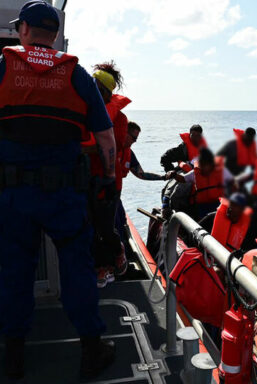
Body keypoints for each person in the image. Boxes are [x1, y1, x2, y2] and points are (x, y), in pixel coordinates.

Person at [0, 1, 115, 379]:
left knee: (15, 271)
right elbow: (105, 137)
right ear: (54, 34)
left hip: (13, 196)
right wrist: (109, 178)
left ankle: (13, 354)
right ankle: (91, 349)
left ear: (25, 31)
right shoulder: (76, 74)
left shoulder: (3, 68)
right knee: (77, 269)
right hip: (64, 195)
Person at [83, 61, 130, 288]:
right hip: (84, 178)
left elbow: (113, 145)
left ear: (105, 91)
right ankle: (100, 267)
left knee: (104, 226)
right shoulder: (83, 111)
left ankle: (117, 250)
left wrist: (79, 146)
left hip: (110, 181)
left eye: (95, 86)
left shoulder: (119, 119)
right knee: (88, 225)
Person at [115, 122, 165, 247]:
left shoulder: (128, 153)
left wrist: (163, 177)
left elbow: (141, 174)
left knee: (121, 222)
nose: (135, 141)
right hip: (102, 197)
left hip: (115, 197)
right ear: (124, 133)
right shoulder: (108, 147)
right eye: (133, 138)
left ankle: (124, 252)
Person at [166, 148, 234, 220]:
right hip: (202, 206)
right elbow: (183, 179)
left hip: (218, 204)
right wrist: (174, 175)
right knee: (203, 221)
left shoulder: (222, 172)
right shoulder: (195, 173)